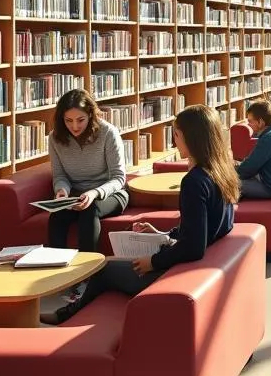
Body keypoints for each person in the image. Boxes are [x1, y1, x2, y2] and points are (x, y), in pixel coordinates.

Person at [43, 104, 238, 325]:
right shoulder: (219, 171)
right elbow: (207, 228)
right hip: (193, 263)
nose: (174, 140)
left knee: (102, 267)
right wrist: (163, 235)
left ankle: (67, 315)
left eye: (177, 134)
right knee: (114, 262)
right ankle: (74, 311)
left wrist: (153, 261)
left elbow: (194, 247)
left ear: (192, 138)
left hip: (178, 269)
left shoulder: (194, 182)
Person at [47, 89, 129, 252]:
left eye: (80, 120)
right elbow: (60, 175)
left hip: (111, 194)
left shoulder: (108, 133)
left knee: (90, 210)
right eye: (68, 120)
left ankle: (88, 271)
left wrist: (94, 193)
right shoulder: (55, 138)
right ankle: (55, 269)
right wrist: (62, 191)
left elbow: (119, 178)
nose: (74, 126)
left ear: (91, 115)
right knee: (56, 216)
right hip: (75, 197)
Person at [235, 101, 271, 199]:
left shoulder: (269, 139)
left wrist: (228, 175)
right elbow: (253, 163)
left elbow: (248, 169)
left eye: (250, 121)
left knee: (225, 184)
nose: (248, 125)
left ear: (261, 122)